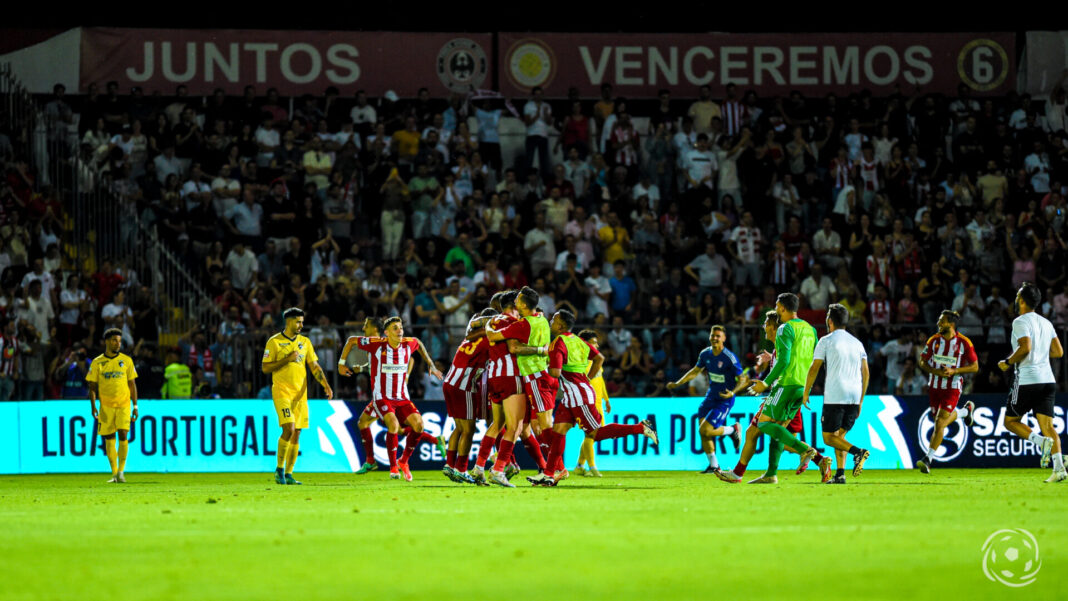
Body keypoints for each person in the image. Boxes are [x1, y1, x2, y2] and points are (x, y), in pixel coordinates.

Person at [527, 310, 657, 486]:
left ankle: (640, 428)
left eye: (554, 319)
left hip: (579, 397)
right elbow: (599, 358)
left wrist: (542, 365)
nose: (551, 321)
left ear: (560, 325)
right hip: (571, 396)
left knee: (595, 433)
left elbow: (555, 373)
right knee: (558, 433)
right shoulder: (578, 341)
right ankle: (550, 474)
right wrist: (587, 378)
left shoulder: (558, 343)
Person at [338, 316, 442, 481]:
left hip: (402, 397)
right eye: (395, 328)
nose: (399, 330)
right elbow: (351, 340)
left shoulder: (408, 343)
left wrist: (431, 364)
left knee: (418, 425)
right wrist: (341, 363)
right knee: (392, 425)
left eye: (400, 327)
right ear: (386, 332)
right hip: (382, 397)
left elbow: (419, 343)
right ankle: (393, 468)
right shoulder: (376, 344)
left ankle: (403, 461)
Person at [730, 294, 818, 484]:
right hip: (802, 386)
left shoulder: (784, 328)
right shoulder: (811, 329)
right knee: (777, 430)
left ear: (783, 308)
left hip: (785, 384)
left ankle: (806, 451)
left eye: (777, 307)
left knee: (762, 424)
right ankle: (771, 474)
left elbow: (786, 361)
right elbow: (812, 359)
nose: (776, 311)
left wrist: (766, 382)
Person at [484, 287, 555, 487]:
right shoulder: (541, 319)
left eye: (519, 299)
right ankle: (545, 468)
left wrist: (489, 326)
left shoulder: (521, 324)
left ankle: (552, 469)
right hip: (534, 377)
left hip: (533, 378)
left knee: (537, 426)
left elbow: (506, 343)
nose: (516, 301)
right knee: (525, 428)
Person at [997, 283, 1066, 482]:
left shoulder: (1020, 321)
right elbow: (1058, 352)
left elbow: (1025, 347)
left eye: (1018, 296)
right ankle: (1059, 469)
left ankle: (1039, 441)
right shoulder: (1046, 323)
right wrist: (1041, 353)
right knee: (1048, 426)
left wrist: (1008, 362)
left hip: (1027, 379)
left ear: (1022, 300)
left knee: (1010, 422)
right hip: (1048, 380)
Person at [261, 307, 333, 486]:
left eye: (302, 321)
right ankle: (279, 470)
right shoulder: (274, 342)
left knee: (297, 433)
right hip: (282, 391)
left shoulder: (305, 342)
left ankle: (289, 473)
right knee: (289, 428)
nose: (301, 325)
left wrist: (326, 385)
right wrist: (287, 359)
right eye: (298, 321)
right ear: (288, 321)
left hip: (300, 395)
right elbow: (265, 367)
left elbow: (315, 366)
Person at [802, 304, 871, 484]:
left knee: (828, 437)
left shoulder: (826, 340)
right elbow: (866, 372)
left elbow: (814, 368)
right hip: (855, 395)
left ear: (829, 321)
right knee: (840, 437)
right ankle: (840, 474)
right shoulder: (857, 343)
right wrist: (861, 400)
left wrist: (806, 391)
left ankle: (858, 453)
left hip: (836, 394)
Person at [666, 325, 747, 474]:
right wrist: (678, 383)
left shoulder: (729, 357)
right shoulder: (705, 354)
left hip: (724, 399)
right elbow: (695, 371)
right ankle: (714, 466)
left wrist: (733, 392)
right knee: (703, 432)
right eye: (712, 335)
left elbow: (743, 379)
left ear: (724, 338)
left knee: (706, 429)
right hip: (710, 396)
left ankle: (732, 429)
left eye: (718, 336)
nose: (714, 338)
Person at [915, 310, 978, 474]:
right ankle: (965, 411)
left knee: (939, 422)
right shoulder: (934, 340)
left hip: (952, 387)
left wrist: (955, 371)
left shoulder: (964, 342)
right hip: (934, 387)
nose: (938, 324)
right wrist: (935, 372)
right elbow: (922, 361)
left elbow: (975, 366)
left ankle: (928, 459)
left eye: (941, 321)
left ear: (951, 324)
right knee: (939, 422)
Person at [441, 310, 493, 484]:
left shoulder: (470, 337)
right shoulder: (489, 340)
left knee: (460, 428)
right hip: (464, 385)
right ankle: (461, 469)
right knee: (469, 430)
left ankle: (450, 465)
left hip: (450, 381)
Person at [86, 329, 138, 484]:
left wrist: (135, 406)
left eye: (120, 341)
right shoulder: (97, 362)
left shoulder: (127, 361)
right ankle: (115, 473)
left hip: (123, 405)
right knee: (109, 438)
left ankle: (121, 471)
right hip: (106, 406)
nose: (118, 343)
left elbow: (132, 384)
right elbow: (92, 386)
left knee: (123, 434)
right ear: (107, 341)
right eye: (115, 340)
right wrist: (93, 406)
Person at [573, 329, 610, 477]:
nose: (597, 346)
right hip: (588, 402)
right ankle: (592, 467)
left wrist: (606, 399)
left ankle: (580, 466)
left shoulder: (595, 360)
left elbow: (599, 381)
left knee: (593, 435)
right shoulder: (580, 360)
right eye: (594, 342)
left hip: (598, 402)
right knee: (591, 435)